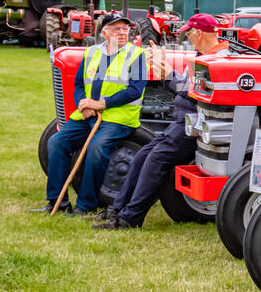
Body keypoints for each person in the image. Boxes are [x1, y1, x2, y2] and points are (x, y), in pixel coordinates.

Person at [95, 14, 228, 229]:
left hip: (195, 123)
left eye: (189, 33)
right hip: (183, 120)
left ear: (199, 33)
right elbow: (186, 90)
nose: (187, 37)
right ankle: (117, 209)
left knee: (155, 159)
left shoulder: (218, 60)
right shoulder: (203, 56)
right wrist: (164, 72)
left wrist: (169, 75)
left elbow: (198, 94)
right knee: (141, 157)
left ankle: (131, 218)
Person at [36, 14, 148, 214]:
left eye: (125, 29)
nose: (122, 32)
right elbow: (79, 84)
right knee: (56, 142)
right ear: (104, 33)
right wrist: (83, 104)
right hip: (88, 115)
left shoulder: (136, 55)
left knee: (97, 148)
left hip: (117, 117)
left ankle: (85, 206)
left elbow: (134, 91)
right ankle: (57, 203)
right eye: (116, 29)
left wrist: (100, 104)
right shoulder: (91, 53)